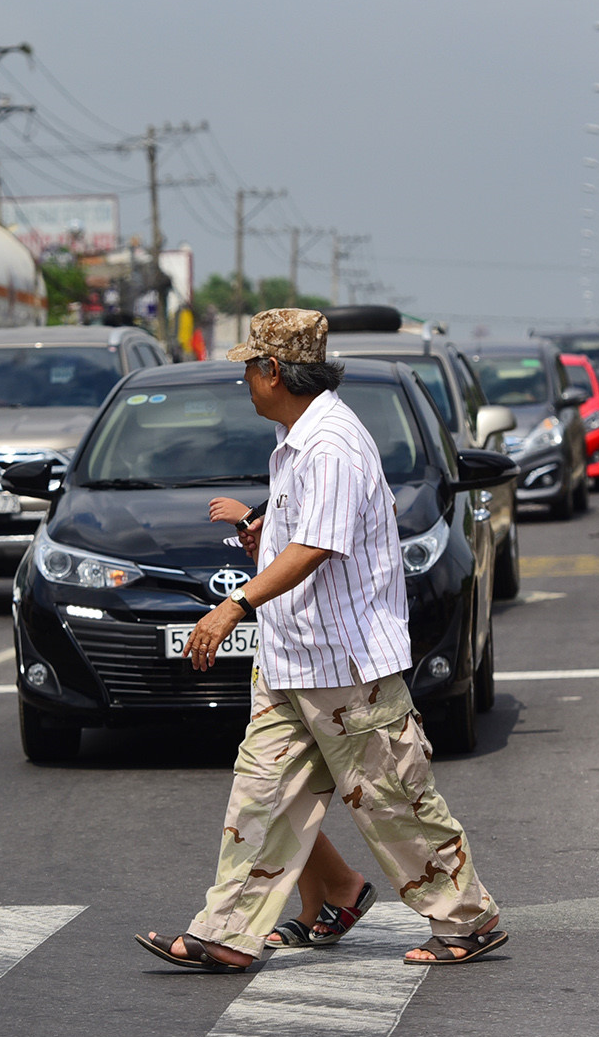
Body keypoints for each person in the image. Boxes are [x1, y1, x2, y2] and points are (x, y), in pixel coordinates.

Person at [134, 309, 505, 972]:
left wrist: (233, 605)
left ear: (274, 371)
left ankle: (466, 919)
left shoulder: (330, 443)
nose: (245, 382)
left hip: (345, 666)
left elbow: (317, 547)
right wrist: (264, 537)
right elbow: (301, 538)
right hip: (290, 658)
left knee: (391, 799)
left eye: (250, 368)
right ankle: (228, 932)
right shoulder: (295, 439)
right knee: (262, 797)